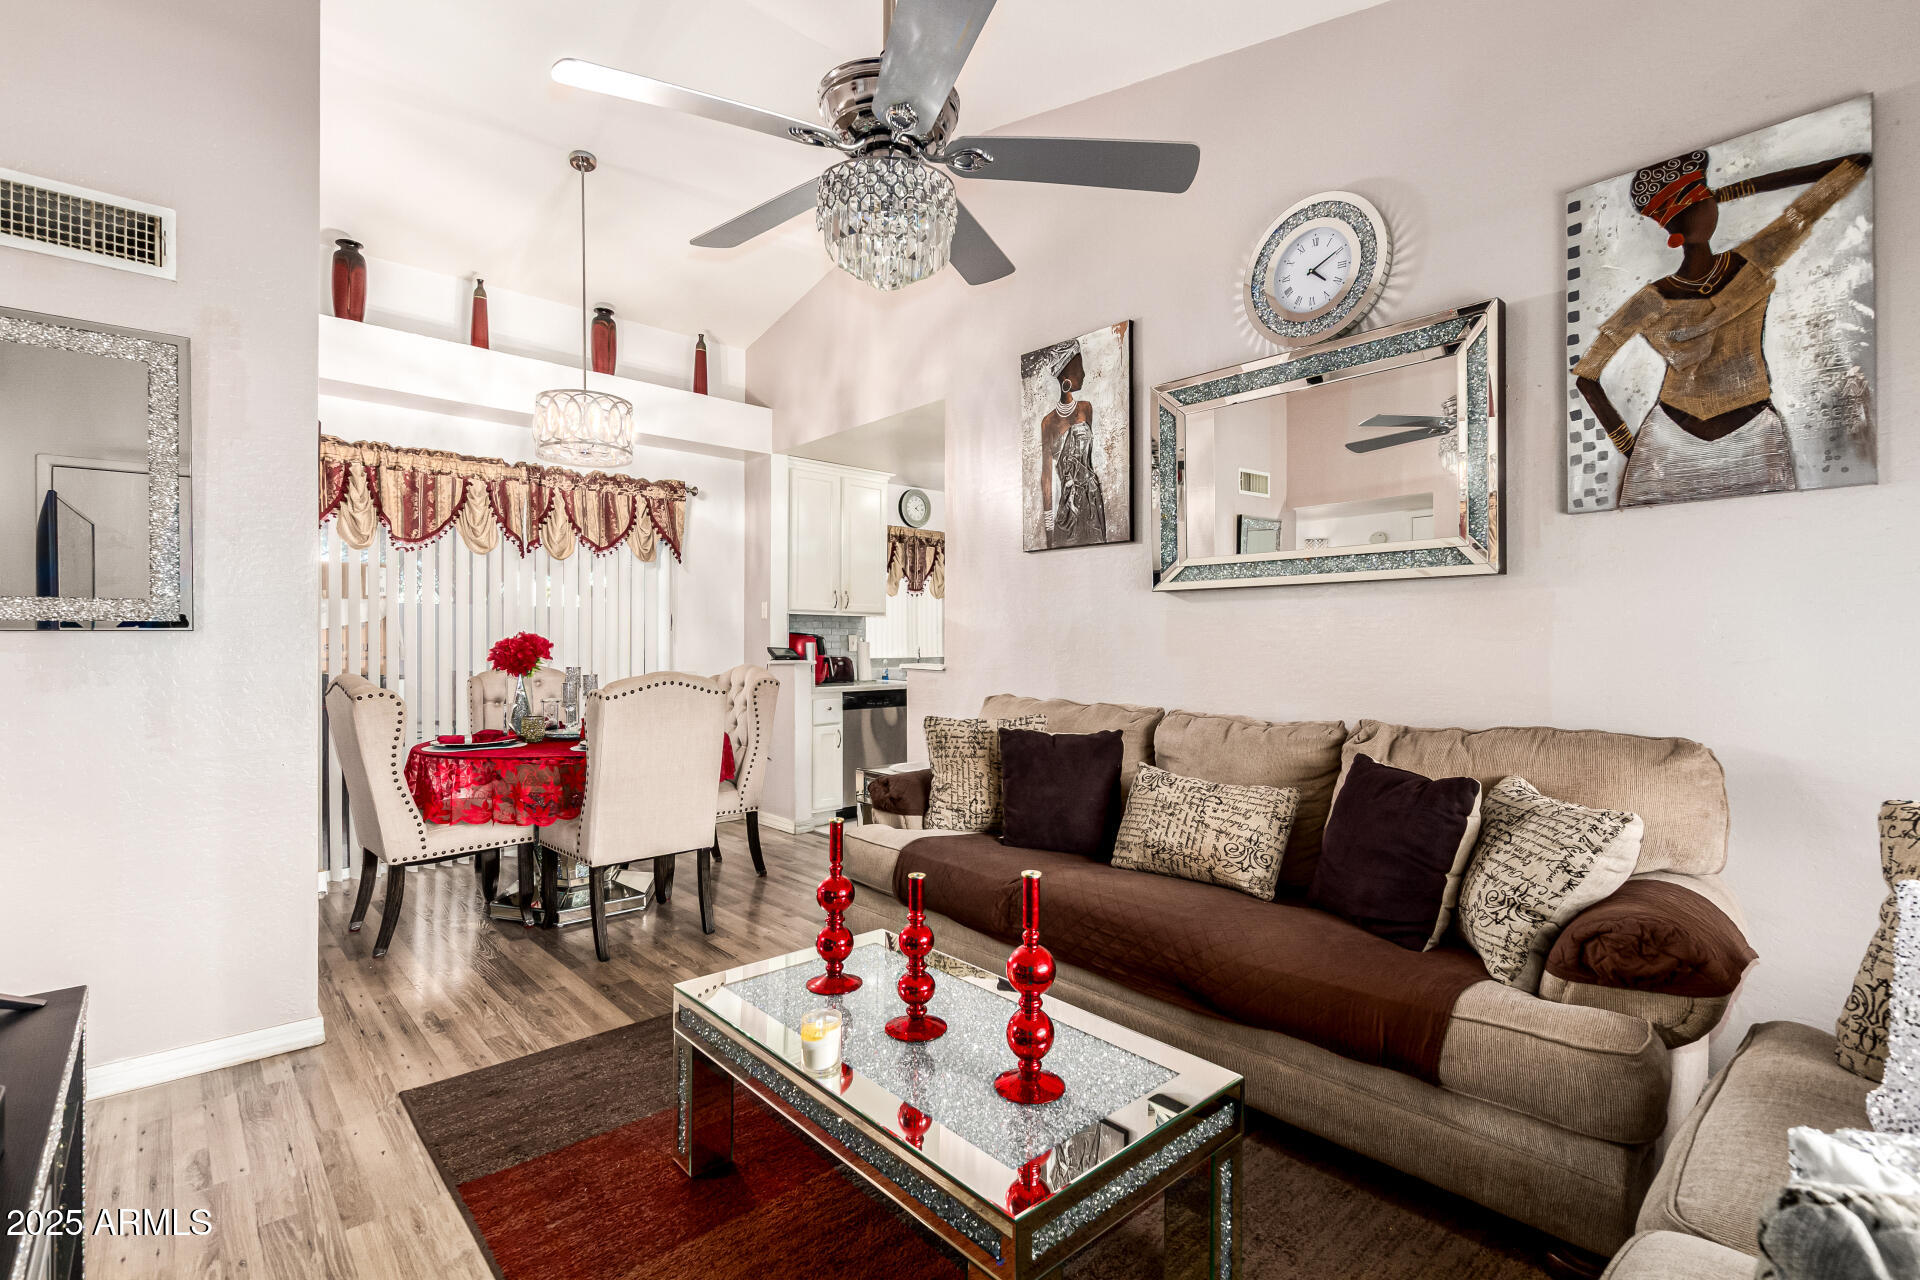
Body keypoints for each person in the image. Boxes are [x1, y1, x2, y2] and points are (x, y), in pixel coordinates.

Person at [1573, 147, 1870, 506]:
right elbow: (1586, 374)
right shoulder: (1669, 292)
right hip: (1670, 442)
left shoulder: (1750, 262)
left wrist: (1735, 189)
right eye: (1703, 198)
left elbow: (1844, 172)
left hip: (1751, 438)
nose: (1713, 203)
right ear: (1691, 216)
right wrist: (1632, 447)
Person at [1038, 344, 1107, 547]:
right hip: (1068, 508)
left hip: (1093, 501)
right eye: (1078, 367)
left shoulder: (1086, 408)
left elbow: (1089, 461)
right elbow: (1046, 477)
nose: (1083, 373)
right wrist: (1048, 529)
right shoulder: (1048, 423)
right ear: (1064, 375)